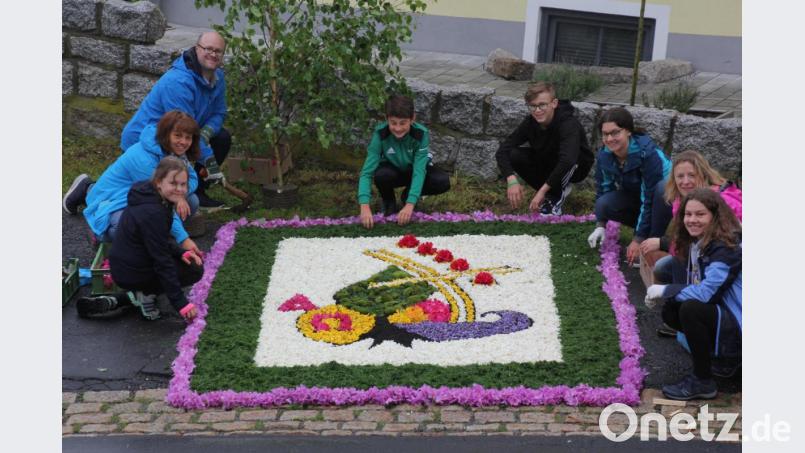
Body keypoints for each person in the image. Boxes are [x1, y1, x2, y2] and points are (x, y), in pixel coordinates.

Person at [76, 157, 204, 321]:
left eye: (183, 184)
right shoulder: (154, 212)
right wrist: (181, 304)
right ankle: (145, 294)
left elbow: (157, 240)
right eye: (173, 183)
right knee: (194, 269)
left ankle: (123, 299)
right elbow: (161, 261)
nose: (179, 189)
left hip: (125, 265)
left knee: (185, 261)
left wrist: (180, 252)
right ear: (159, 182)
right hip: (131, 270)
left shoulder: (149, 195)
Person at [644, 188, 742, 400]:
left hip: (740, 319)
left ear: (715, 216)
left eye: (700, 214)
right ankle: (722, 361)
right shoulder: (702, 241)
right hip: (729, 313)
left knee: (691, 309)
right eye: (688, 214)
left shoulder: (726, 246)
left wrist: (665, 290)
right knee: (673, 310)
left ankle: (704, 379)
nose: (692, 220)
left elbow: (706, 293)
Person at [63, 110, 203, 256]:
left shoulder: (175, 152)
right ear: (166, 134)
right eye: (178, 135)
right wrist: (183, 239)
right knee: (127, 228)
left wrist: (181, 194)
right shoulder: (145, 160)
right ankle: (99, 235)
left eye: (188, 137)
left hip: (139, 194)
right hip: (115, 200)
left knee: (191, 201)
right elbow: (159, 201)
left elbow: (191, 177)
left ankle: (156, 231)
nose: (184, 142)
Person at [638, 150, 743, 337]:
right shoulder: (682, 199)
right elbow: (684, 240)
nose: (685, 181)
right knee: (664, 266)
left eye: (691, 175)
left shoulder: (720, 201)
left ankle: (692, 313)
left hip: (728, 264)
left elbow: (724, 247)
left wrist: (662, 242)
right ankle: (684, 310)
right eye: (680, 176)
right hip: (705, 258)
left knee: (679, 258)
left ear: (703, 175)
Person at [120, 31, 229, 208]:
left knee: (222, 138)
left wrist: (205, 133)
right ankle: (88, 189)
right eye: (208, 49)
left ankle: (198, 192)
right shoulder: (178, 82)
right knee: (142, 196)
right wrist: (209, 161)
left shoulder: (219, 78)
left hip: (178, 137)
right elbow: (182, 130)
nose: (213, 54)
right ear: (196, 48)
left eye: (218, 51)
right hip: (147, 141)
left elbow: (219, 112)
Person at [587, 107, 672, 266]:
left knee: (662, 190)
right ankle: (643, 232)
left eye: (615, 132)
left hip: (664, 201)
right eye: (605, 134)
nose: (610, 138)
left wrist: (638, 239)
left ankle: (652, 243)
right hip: (637, 197)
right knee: (604, 204)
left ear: (628, 131)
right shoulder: (604, 155)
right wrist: (601, 224)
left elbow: (648, 197)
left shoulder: (647, 154)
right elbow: (603, 190)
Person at [495, 82, 594, 216]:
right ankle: (553, 192)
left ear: (554, 103)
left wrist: (541, 191)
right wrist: (511, 179)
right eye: (533, 106)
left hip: (576, 166)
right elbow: (502, 151)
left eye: (542, 105)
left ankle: (555, 197)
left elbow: (568, 160)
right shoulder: (530, 122)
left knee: (568, 159)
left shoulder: (568, 124)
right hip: (548, 160)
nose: (537, 110)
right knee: (514, 155)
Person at [358, 95, 450, 229]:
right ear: (386, 119)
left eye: (403, 123)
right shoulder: (380, 134)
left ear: (412, 119)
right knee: (381, 175)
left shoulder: (420, 134)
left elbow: (419, 171)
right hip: (392, 171)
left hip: (413, 170)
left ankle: (408, 196)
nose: (398, 128)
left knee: (442, 181)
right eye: (393, 123)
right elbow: (366, 173)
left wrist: (410, 204)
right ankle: (388, 201)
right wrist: (364, 206)